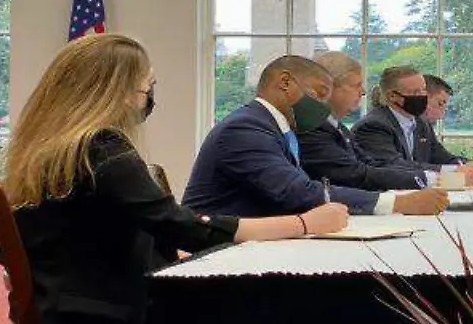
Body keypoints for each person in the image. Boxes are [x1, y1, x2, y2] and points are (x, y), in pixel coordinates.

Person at [0, 34, 349, 324]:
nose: (148, 99)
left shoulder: (50, 149)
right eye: (146, 87)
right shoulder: (101, 148)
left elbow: (114, 232)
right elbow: (185, 228)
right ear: (115, 91)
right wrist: (305, 223)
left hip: (69, 321)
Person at [183, 56, 448, 217]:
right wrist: (396, 203)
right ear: (285, 82)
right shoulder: (245, 129)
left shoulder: (273, 127)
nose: (324, 106)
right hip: (218, 255)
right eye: (319, 94)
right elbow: (296, 191)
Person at [299, 52, 443, 211]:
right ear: (326, 88)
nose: (362, 92)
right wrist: (426, 179)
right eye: (356, 85)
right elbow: (354, 174)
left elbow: (370, 164)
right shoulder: (311, 129)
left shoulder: (338, 128)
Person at [353, 66, 473, 180]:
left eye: (423, 90)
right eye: (415, 92)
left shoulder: (420, 123)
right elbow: (395, 166)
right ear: (392, 96)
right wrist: (459, 171)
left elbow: (443, 158)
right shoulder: (373, 126)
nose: (422, 97)